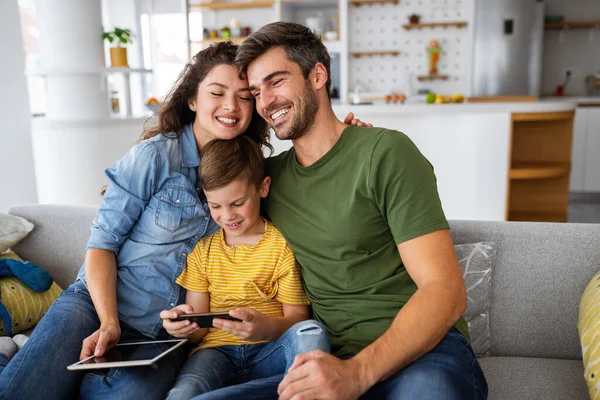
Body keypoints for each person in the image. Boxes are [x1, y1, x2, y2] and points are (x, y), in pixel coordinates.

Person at [0, 40, 363, 400]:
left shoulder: (251, 171)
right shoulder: (155, 156)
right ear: (193, 100)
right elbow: (100, 247)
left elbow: (310, 177)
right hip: (95, 306)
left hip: (162, 333)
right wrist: (108, 322)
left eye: (243, 96)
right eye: (217, 93)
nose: (230, 107)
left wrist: (346, 139)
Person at [190, 22, 488, 400]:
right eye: (256, 91)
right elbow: (216, 182)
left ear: (317, 75)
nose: (265, 101)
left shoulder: (386, 153)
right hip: (330, 360)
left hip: (424, 355)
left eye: (276, 81)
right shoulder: (268, 181)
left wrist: (358, 373)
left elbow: (445, 291)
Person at [161, 136, 329, 400]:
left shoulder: (280, 246)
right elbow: (200, 331)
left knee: (310, 332)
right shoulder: (202, 253)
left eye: (238, 203)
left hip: (269, 349)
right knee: (183, 393)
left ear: (263, 188)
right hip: (216, 353)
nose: (227, 216)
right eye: (215, 206)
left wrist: (265, 329)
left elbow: (298, 318)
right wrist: (184, 325)